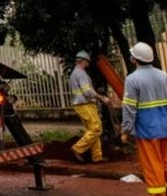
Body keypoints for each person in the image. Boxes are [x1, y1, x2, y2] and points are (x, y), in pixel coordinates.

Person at [121, 42, 167, 196]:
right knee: (165, 165)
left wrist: (126, 130)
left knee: (153, 167)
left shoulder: (132, 79)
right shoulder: (164, 75)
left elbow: (129, 108)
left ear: (135, 59)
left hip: (147, 131)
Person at [68, 50, 110, 163]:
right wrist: (102, 98)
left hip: (81, 105)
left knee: (92, 130)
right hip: (85, 104)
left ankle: (97, 157)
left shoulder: (74, 74)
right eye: (87, 61)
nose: (88, 64)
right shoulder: (81, 73)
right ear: (84, 61)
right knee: (96, 129)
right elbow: (87, 91)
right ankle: (78, 148)